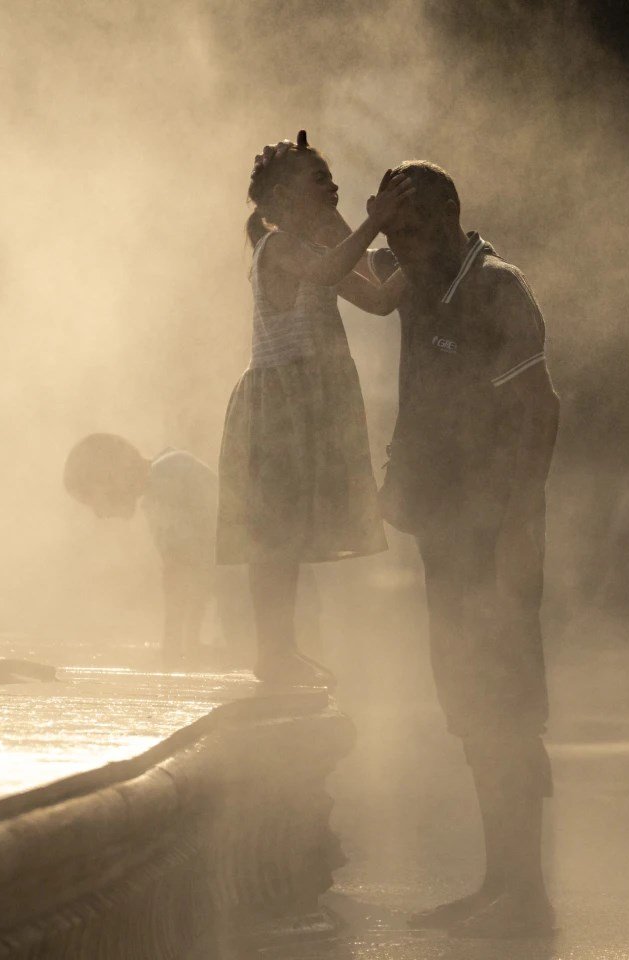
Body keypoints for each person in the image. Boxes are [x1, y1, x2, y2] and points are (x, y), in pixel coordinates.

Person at [375, 161, 560, 938]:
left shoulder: (494, 287)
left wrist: (521, 528)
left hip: (493, 533)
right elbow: (338, 273)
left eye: (417, 228)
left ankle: (525, 892)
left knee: (507, 708)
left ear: (454, 211)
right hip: (445, 532)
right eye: (397, 233)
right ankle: (498, 884)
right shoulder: (415, 279)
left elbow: (540, 409)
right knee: (471, 707)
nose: (407, 246)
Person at [216, 130, 412, 686]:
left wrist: (430, 259)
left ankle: (282, 649)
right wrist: (375, 224)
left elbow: (376, 298)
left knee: (291, 536)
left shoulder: (318, 247)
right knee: (274, 538)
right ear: (282, 198)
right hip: (279, 404)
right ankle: (271, 652)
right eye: (319, 179)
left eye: (331, 177)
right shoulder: (277, 247)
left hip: (310, 402)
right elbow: (327, 273)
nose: (333, 185)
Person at [64, 434, 229, 667]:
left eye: (92, 499)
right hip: (240, 599)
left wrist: (172, 647)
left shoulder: (165, 479)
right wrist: (185, 641)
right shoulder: (168, 469)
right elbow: (193, 566)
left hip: (245, 600)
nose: (99, 513)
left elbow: (179, 572)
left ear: (111, 476)